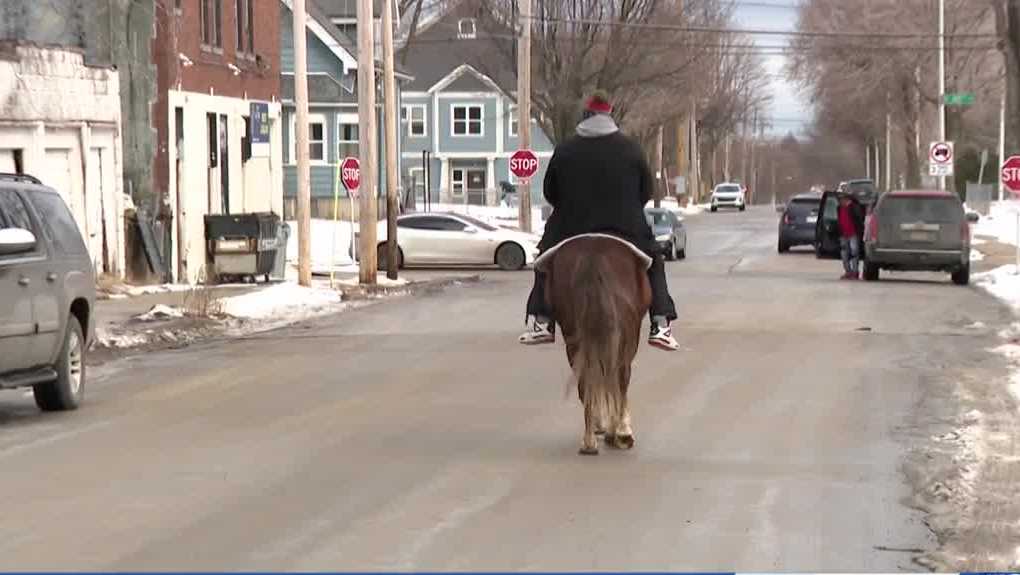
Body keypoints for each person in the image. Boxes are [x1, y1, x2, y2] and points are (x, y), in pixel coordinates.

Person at [518, 90, 680, 351]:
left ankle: (542, 320)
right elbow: (646, 192)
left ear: (586, 115)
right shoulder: (631, 149)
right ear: (609, 115)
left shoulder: (566, 149)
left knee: (544, 259)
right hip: (625, 227)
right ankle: (660, 322)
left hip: (570, 227)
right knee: (655, 261)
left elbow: (550, 192)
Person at [837, 193, 865, 280]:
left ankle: (855, 272)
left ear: (847, 200)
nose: (840, 201)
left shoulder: (854, 207)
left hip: (853, 234)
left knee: (854, 253)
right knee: (844, 254)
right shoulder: (839, 208)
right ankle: (848, 271)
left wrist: (859, 233)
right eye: (840, 200)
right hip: (843, 234)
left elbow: (859, 220)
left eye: (842, 199)